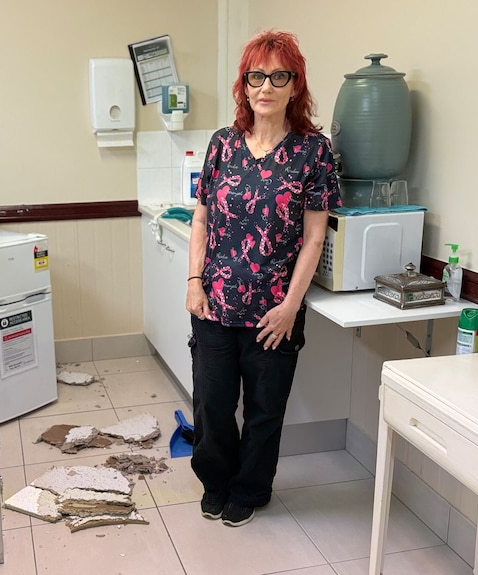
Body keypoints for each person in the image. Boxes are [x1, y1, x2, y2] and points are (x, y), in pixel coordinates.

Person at [184, 29, 341, 527]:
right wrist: (194, 280)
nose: (266, 85)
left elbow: (314, 238)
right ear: (244, 84)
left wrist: (292, 306)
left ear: (295, 85)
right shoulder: (222, 145)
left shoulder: (314, 152)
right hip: (215, 304)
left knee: (264, 411)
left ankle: (250, 490)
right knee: (211, 405)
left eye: (279, 75)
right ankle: (216, 480)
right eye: (257, 75)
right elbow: (202, 219)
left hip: (275, 311)